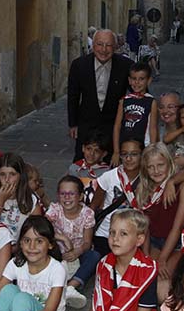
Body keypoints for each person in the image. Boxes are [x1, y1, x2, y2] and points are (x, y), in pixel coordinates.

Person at [36, 210, 158, 311]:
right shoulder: (104, 265)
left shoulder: (147, 271)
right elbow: (98, 306)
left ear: (139, 239)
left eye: (123, 234)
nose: (115, 238)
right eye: (112, 232)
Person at [67, 28, 132, 160]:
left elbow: (137, 92)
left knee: (111, 164)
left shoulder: (126, 66)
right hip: (86, 123)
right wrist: (73, 124)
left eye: (108, 45)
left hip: (113, 125)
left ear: (115, 47)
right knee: (82, 160)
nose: (104, 49)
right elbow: (73, 96)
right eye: (100, 44)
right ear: (93, 45)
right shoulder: (79, 65)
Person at [45, 175, 99, 308]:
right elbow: (42, 228)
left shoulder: (87, 214)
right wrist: (62, 238)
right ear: (58, 195)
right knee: (44, 252)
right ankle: (53, 284)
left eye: (71, 194)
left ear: (80, 196)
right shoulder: (55, 210)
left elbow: (87, 242)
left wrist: (77, 252)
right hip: (57, 251)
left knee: (94, 256)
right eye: (63, 194)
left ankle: (70, 286)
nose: (67, 197)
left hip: (78, 252)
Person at [137, 143, 184, 268]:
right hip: (155, 242)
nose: (156, 171)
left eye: (160, 165)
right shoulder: (144, 189)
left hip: (179, 243)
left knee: (164, 278)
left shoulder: (183, 185)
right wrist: (146, 256)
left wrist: (162, 259)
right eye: (150, 167)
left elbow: (177, 227)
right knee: (146, 273)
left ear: (169, 163)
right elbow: (145, 227)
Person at [89, 138, 143, 256]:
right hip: (106, 233)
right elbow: (94, 206)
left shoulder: (147, 179)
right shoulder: (109, 176)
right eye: (124, 154)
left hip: (133, 234)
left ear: (142, 155)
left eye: (134, 154)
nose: (128, 159)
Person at [112, 62, 159, 164]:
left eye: (141, 79)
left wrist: (152, 149)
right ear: (129, 80)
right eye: (134, 78)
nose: (137, 82)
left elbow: (153, 128)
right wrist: (116, 151)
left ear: (149, 80)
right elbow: (117, 126)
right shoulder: (123, 101)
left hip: (143, 146)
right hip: (124, 146)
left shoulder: (151, 102)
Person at [0, 153, 43, 240]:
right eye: (2, 174)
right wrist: (1, 202)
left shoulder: (30, 200)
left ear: (20, 176)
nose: (7, 180)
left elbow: (36, 230)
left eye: (12, 174)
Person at [67, 129, 110, 205]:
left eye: (96, 151)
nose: (91, 154)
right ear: (83, 148)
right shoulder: (74, 168)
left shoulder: (106, 172)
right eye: (88, 149)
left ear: (103, 154)